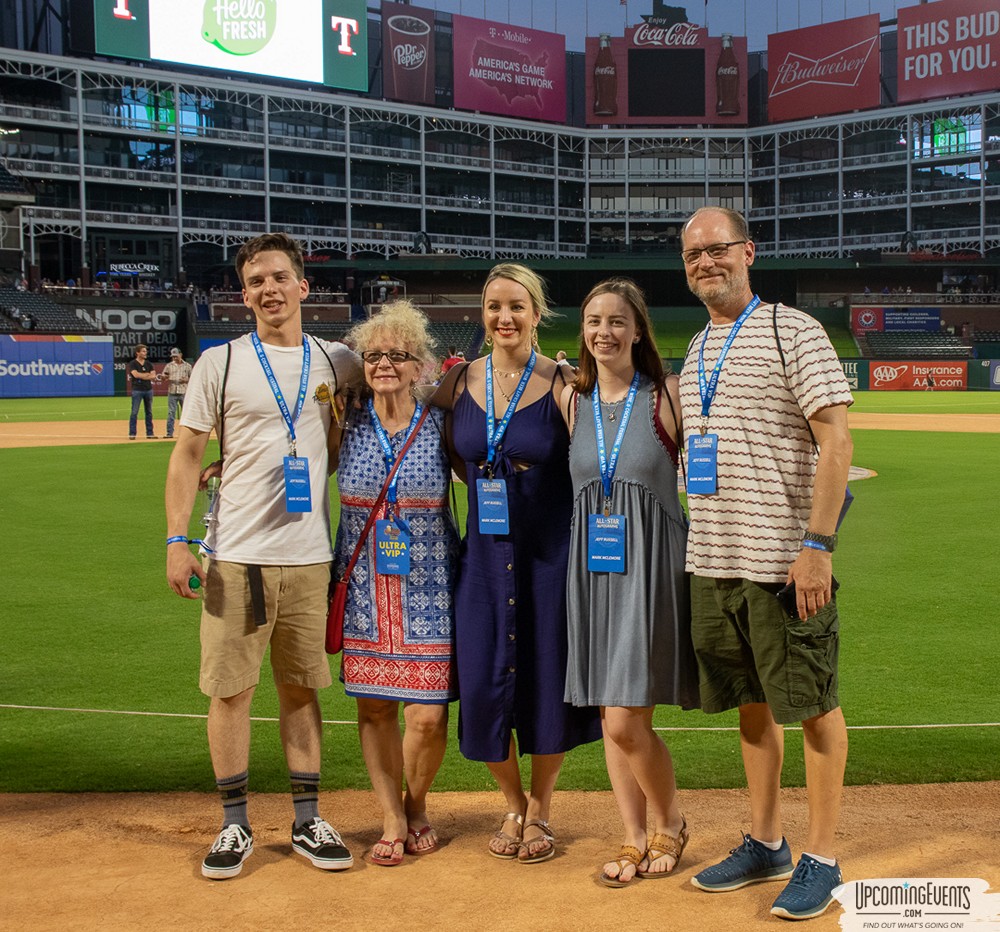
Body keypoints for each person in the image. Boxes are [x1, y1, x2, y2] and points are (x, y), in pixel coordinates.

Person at [165, 232, 363, 880]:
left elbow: (348, 428)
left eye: (279, 277)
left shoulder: (335, 361)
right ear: (243, 294)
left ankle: (307, 819)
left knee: (302, 690)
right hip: (237, 557)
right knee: (232, 693)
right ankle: (234, 824)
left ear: (305, 286)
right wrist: (176, 539)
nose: (268, 290)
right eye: (256, 281)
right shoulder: (218, 363)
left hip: (309, 557)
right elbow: (187, 455)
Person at [677, 207, 853, 921]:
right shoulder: (695, 347)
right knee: (750, 707)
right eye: (692, 255)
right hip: (714, 560)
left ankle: (822, 856)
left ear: (748, 250)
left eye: (716, 249)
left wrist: (817, 547)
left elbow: (836, 441)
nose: (704, 263)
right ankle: (766, 841)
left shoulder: (792, 329)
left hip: (785, 565)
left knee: (811, 705)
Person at [433, 263, 601, 864]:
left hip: (548, 555)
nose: (504, 318)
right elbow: (447, 453)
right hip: (483, 556)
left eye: (516, 307)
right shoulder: (457, 382)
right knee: (482, 682)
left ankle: (542, 808)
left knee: (546, 681)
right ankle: (512, 800)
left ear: (537, 314)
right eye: (493, 307)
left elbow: (594, 460)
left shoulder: (564, 381)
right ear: (483, 313)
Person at [561, 278, 700, 888]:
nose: (604, 332)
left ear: (639, 330)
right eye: (593, 321)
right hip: (593, 572)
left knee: (623, 718)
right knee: (608, 714)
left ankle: (670, 820)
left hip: (651, 569)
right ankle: (634, 835)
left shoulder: (666, 395)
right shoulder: (570, 400)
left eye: (617, 321)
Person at [333, 300, 460, 867]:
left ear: (419, 366)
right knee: (376, 708)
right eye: (374, 355)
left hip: (431, 587)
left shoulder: (442, 422)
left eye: (398, 355)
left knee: (428, 714)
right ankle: (390, 814)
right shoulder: (341, 420)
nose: (385, 364)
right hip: (361, 584)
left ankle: (416, 801)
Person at [127, 344, 157, 439]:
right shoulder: (133, 363)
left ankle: (150, 433)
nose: (145, 353)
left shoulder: (148, 364)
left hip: (148, 390)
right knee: (134, 412)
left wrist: (144, 375)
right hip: (137, 390)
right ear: (137, 353)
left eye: (145, 351)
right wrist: (147, 375)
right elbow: (135, 375)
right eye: (143, 351)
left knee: (149, 412)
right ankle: (132, 434)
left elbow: (153, 376)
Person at [162, 347, 192, 439]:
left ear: (180, 355)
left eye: (176, 356)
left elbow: (193, 378)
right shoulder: (169, 365)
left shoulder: (187, 366)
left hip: (183, 392)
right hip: (172, 391)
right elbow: (164, 376)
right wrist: (164, 377)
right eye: (173, 357)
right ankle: (169, 433)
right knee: (171, 413)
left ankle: (187, 434)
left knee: (186, 413)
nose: (174, 358)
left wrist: (186, 380)